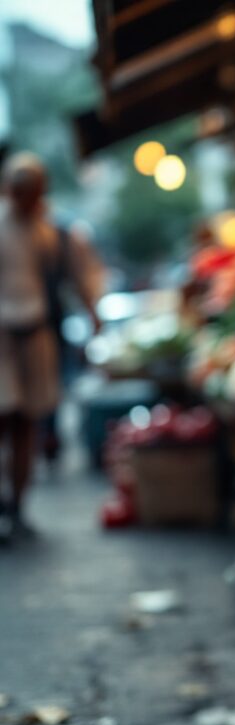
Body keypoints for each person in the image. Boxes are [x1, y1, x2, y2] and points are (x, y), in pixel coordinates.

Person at [0, 153, 104, 541]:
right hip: (3, 338)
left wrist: (93, 310)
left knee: (27, 422)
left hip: (38, 334)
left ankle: (18, 505)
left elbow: (82, 273)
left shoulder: (54, 231)